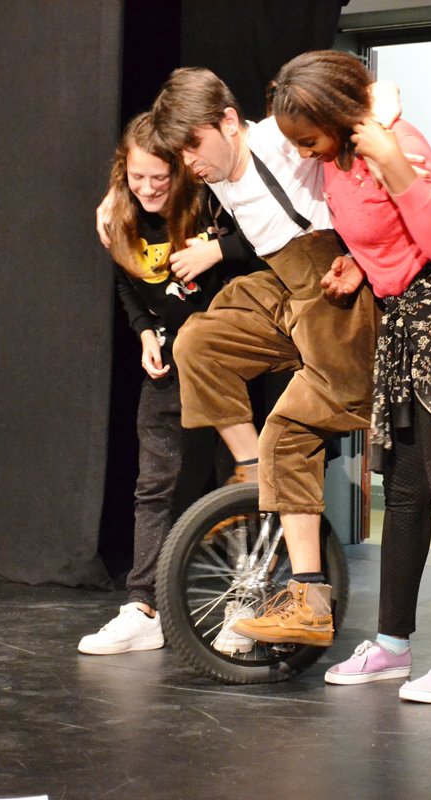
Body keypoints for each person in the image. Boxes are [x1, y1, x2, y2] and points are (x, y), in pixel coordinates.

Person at [268, 50, 431, 703]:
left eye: (308, 139)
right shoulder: (340, 159)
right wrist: (360, 262)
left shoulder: (395, 144)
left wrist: (391, 159)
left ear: (335, 117)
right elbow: (382, 228)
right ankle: (391, 645)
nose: (302, 152)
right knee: (404, 493)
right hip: (407, 319)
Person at [138, 67, 383, 648]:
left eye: (194, 147)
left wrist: (382, 100)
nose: (190, 164)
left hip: (336, 296)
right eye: (181, 154)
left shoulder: (277, 138)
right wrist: (112, 201)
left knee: (289, 435)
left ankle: (309, 600)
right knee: (197, 342)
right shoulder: (214, 170)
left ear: (229, 122)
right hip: (285, 287)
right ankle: (252, 471)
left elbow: (359, 104)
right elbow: (143, 166)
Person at [78, 112, 262, 656]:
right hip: (171, 359)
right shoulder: (120, 214)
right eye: (138, 177)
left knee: (238, 478)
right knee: (153, 485)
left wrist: (218, 250)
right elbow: (127, 278)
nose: (149, 188)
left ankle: (247, 602)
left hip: (227, 357)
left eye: (159, 177)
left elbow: (274, 237)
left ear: (178, 171)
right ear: (123, 171)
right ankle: (144, 607)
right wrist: (143, 332)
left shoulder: (210, 200)